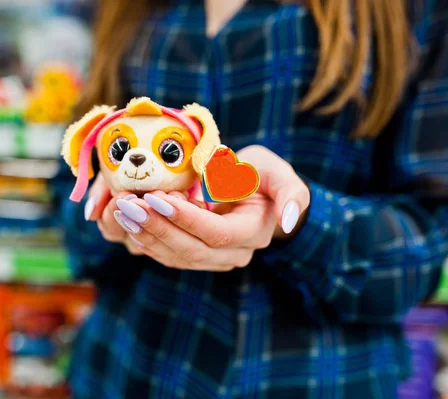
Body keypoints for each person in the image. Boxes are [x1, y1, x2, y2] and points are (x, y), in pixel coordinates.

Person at [53, 0, 448, 397]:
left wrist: (299, 221)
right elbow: (68, 185)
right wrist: (106, 209)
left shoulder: (415, 13)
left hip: (314, 379)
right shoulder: (127, 10)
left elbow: (425, 248)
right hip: (123, 369)